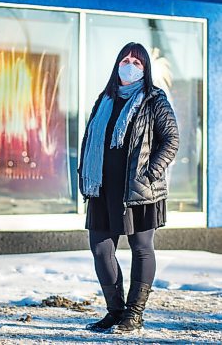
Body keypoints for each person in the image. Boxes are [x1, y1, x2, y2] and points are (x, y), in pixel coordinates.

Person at [77, 42, 179, 334]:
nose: (130, 65)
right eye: (126, 59)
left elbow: (171, 140)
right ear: (117, 64)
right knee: (100, 248)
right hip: (103, 188)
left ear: (145, 70)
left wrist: (150, 173)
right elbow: (90, 140)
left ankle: (134, 314)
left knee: (141, 248)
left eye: (138, 62)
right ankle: (116, 311)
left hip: (139, 189)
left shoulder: (154, 100)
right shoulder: (104, 99)